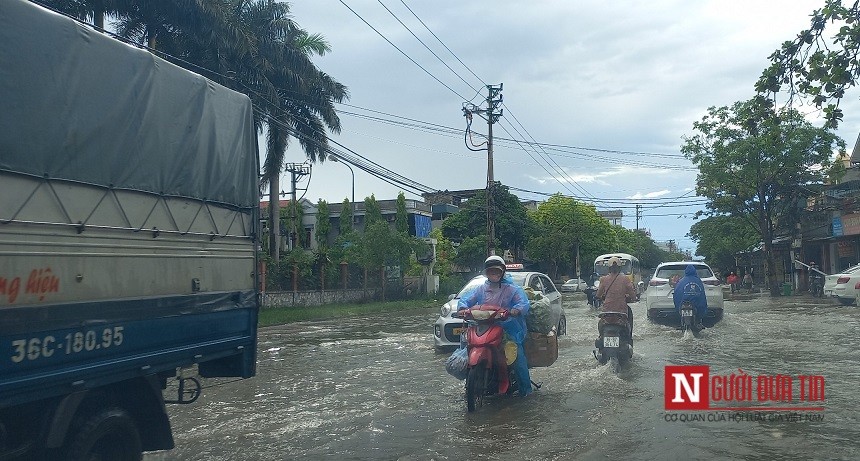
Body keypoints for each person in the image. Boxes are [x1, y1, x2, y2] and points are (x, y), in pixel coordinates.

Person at [458, 255, 533, 397]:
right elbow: (467, 299)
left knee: (516, 357)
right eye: (491, 271)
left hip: (507, 327)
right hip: (484, 325)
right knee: (465, 346)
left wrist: (515, 310)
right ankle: (471, 382)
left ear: (502, 272)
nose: (494, 274)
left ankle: (526, 391)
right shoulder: (480, 289)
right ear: (486, 273)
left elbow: (523, 303)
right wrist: (462, 308)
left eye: (497, 271)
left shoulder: (511, 289)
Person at [595, 257, 637, 339]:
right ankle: (629, 340)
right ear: (620, 268)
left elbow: (598, 295)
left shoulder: (603, 279)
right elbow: (633, 295)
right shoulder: (625, 279)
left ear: (609, 268)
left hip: (606, 314)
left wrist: (601, 297)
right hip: (621, 314)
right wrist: (633, 298)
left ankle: (601, 338)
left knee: (600, 325)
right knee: (628, 327)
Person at [673, 264, 708, 329]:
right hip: (695, 305)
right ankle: (698, 322)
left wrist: (678, 306)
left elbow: (676, 294)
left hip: (683, 304)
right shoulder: (698, 281)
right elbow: (702, 295)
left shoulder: (681, 281)